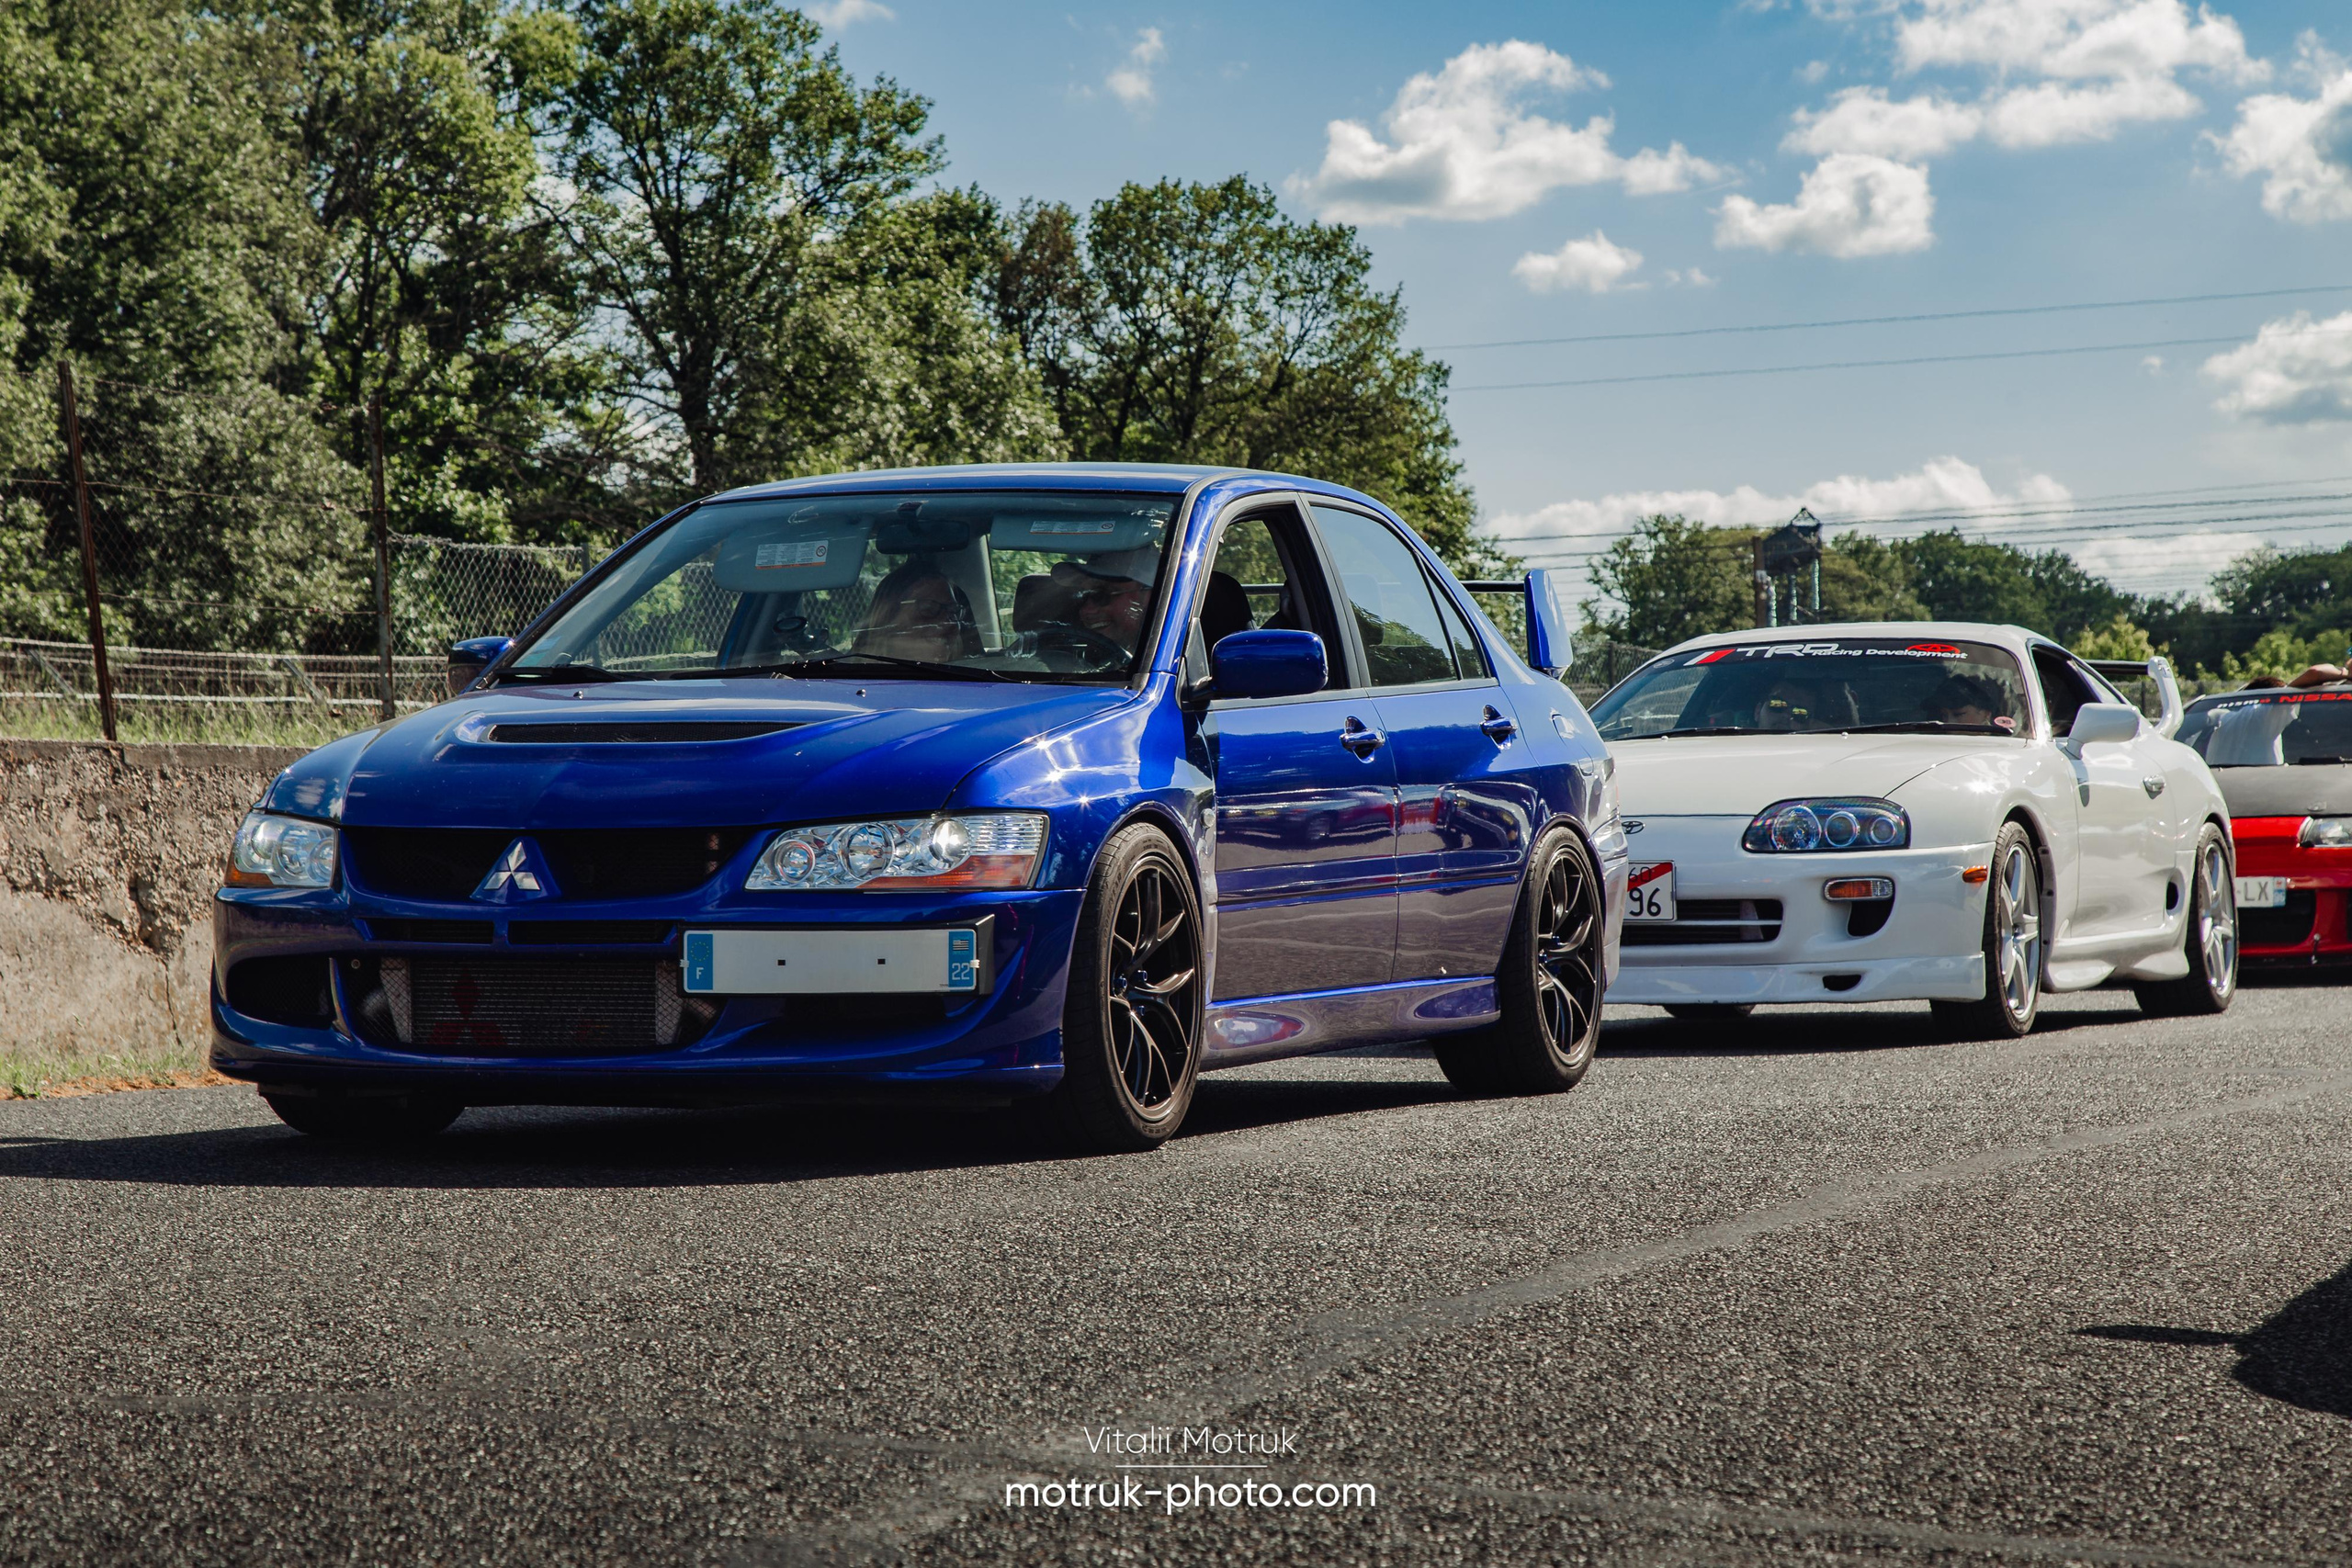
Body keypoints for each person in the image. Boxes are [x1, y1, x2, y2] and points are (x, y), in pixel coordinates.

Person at [854, 558, 978, 663]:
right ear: (886, 620)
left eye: (953, 612)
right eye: (928, 609)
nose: (948, 623)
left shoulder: (978, 678)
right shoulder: (847, 677)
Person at [1924, 671, 2008, 729]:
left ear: (1986, 713)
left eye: (1958, 714)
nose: (1948, 722)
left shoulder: (2009, 747)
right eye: (1944, 715)